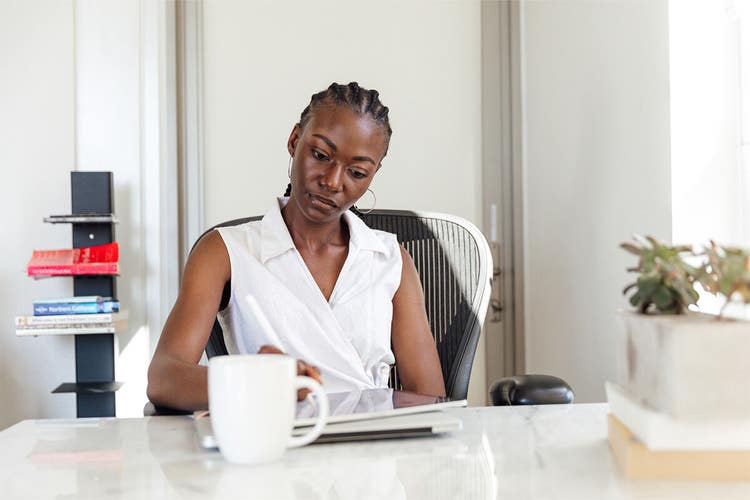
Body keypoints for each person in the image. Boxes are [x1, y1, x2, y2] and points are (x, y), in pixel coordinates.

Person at [147, 82, 445, 410]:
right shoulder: (225, 252)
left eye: (357, 172)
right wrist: (255, 381)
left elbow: (429, 398)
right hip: (273, 446)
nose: (332, 181)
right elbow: (164, 377)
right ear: (294, 140)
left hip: (369, 446)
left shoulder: (389, 260)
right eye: (320, 155)